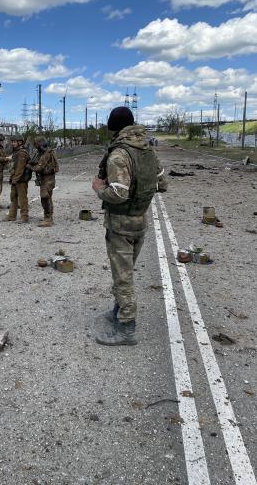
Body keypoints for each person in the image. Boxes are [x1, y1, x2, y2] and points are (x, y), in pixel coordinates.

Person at [92, 107, 167, 346]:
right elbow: (162, 184)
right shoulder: (148, 151)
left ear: (113, 127)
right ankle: (117, 311)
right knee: (123, 273)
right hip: (140, 222)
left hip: (121, 225)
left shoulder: (118, 155)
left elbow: (118, 194)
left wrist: (97, 188)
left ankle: (126, 328)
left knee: (123, 278)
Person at [29, 136, 59, 227]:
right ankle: (49, 217)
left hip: (47, 178)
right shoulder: (46, 152)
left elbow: (39, 167)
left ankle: (48, 219)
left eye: (36, 144)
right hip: (48, 178)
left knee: (45, 197)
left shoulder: (46, 154)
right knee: (48, 197)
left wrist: (30, 167)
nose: (36, 147)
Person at [5, 134, 31, 223]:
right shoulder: (16, 152)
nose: (13, 143)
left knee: (22, 198)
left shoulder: (22, 153)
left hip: (21, 180)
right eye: (12, 142)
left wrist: (15, 179)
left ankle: (24, 216)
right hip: (15, 178)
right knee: (13, 197)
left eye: (14, 142)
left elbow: (20, 168)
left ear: (20, 142)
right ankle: (12, 215)